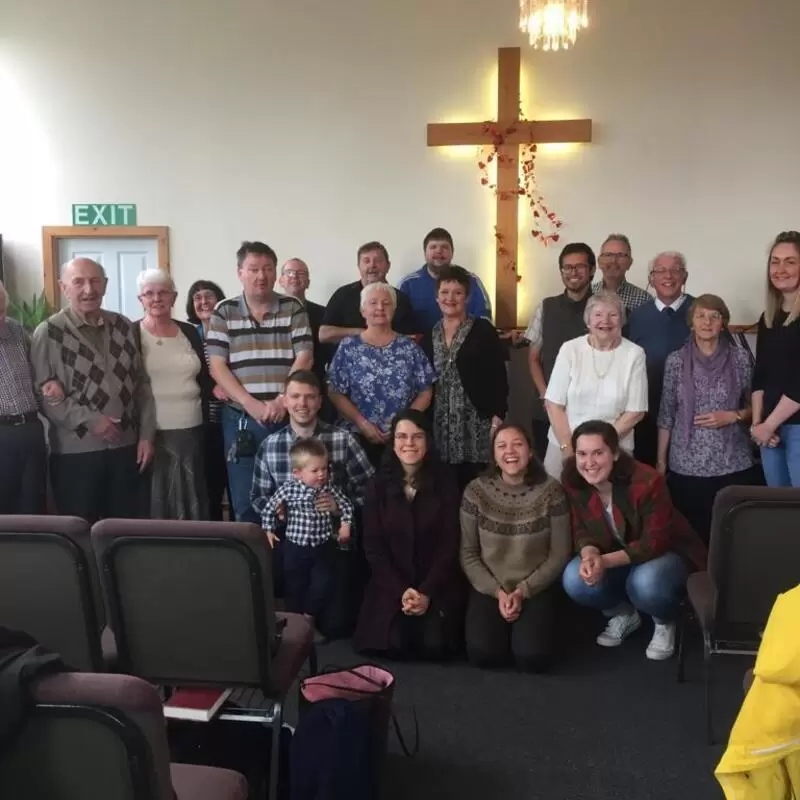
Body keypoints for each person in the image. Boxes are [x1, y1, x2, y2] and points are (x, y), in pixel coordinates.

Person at [561, 420, 707, 660]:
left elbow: (655, 542)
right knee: (574, 578)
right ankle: (625, 614)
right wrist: (589, 555)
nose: (589, 463)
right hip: (615, 555)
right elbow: (579, 529)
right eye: (582, 454)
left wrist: (604, 562)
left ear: (615, 453)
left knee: (645, 582)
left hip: (666, 555)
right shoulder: (573, 480)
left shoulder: (647, 481)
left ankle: (664, 621)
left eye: (598, 453)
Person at [31, 258, 155, 523]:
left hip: (126, 449)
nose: (89, 289)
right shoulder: (49, 332)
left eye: (95, 281)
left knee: (126, 529)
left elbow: (141, 385)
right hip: (76, 455)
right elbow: (43, 395)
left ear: (106, 285)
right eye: (78, 282)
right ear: (64, 288)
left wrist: (146, 435)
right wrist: (92, 421)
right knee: (80, 531)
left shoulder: (123, 326)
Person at [251, 369, 375, 635]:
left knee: (337, 626)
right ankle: (293, 620)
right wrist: (277, 513)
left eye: (309, 397)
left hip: (332, 542)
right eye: (295, 396)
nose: (302, 404)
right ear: (284, 400)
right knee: (292, 595)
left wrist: (339, 508)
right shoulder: (270, 446)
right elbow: (259, 497)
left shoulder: (344, 440)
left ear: (320, 401)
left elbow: (372, 492)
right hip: (291, 540)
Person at [206, 241, 313, 523]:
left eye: (267, 269)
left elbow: (304, 356)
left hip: (288, 415)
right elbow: (217, 365)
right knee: (246, 500)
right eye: (253, 269)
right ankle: (253, 566)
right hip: (241, 418)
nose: (261, 276)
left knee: (295, 495)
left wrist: (281, 400)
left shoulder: (293, 308)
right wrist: (249, 403)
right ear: (240, 272)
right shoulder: (224, 311)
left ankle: (288, 564)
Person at [354, 410, 464, 659]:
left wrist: (425, 592)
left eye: (417, 437)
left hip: (435, 581)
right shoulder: (377, 485)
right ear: (393, 443)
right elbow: (373, 547)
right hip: (392, 582)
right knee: (394, 643)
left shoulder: (446, 482)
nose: (409, 444)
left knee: (434, 645)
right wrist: (402, 591)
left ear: (428, 441)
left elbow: (450, 542)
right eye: (402, 437)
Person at [460, 424, 571, 672]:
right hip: (490, 586)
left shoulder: (552, 491)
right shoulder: (475, 491)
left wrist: (522, 591)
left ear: (530, 452)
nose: (510, 451)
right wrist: (498, 592)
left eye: (518, 444)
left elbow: (559, 554)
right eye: (502, 446)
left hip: (536, 585)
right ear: (494, 456)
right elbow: (468, 554)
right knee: (483, 653)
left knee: (533, 657)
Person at [657, 295, 756, 544]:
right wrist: (660, 463)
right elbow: (666, 414)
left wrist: (733, 416)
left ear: (723, 323)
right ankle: (697, 582)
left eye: (715, 316)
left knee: (733, 538)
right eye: (700, 315)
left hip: (733, 462)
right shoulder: (676, 362)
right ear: (691, 322)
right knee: (693, 539)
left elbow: (757, 408)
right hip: (686, 465)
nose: (707, 321)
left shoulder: (741, 359)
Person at [327, 282, 436, 466]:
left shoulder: (409, 348)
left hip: (403, 439)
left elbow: (426, 391)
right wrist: (361, 423)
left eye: (386, 303)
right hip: (357, 435)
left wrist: (401, 424)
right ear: (362, 310)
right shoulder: (348, 347)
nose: (380, 308)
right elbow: (334, 392)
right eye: (373, 303)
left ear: (394, 310)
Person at [134, 269, 212, 520]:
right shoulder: (131, 334)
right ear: (141, 299)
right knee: (158, 499)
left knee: (192, 496)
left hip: (192, 428)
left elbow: (205, 376)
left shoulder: (189, 332)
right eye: (149, 293)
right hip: (151, 432)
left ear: (174, 297)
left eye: (163, 292)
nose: (156, 298)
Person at [543, 291, 647, 480]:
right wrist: (569, 449)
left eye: (613, 315)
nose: (605, 320)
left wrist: (599, 446)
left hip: (614, 448)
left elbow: (636, 411)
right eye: (598, 314)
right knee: (557, 504)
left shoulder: (634, 354)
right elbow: (554, 404)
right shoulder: (570, 349)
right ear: (588, 320)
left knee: (609, 505)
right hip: (564, 444)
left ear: (621, 320)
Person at [420, 265, 507, 490]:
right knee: (444, 485)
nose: (450, 298)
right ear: (436, 297)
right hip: (440, 424)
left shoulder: (483, 331)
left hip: (476, 423)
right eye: (445, 292)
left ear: (467, 297)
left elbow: (498, 377)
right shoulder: (430, 334)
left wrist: (498, 416)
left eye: (457, 293)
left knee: (478, 484)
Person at [261, 438, 354, 641]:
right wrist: (268, 530)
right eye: (315, 471)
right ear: (297, 473)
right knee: (294, 587)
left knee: (321, 586)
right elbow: (268, 509)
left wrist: (345, 525)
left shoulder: (328, 488)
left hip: (322, 547)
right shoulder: (288, 489)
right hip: (295, 548)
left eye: (324, 469)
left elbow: (347, 505)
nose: (321, 474)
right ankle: (295, 629)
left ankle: (309, 621)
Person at [526, 242, 595, 461]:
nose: (573, 272)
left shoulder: (603, 308)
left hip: (590, 410)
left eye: (580, 266)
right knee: (549, 477)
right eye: (567, 267)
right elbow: (534, 358)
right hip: (548, 410)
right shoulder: (546, 307)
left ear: (592, 270)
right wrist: (546, 396)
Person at [628, 252, 693, 466]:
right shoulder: (635, 317)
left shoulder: (701, 311)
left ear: (685, 276)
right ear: (651, 278)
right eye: (661, 270)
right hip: (646, 412)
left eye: (675, 270)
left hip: (692, 416)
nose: (668, 276)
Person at [751, 231, 800, 487]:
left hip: (796, 429)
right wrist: (759, 424)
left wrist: (769, 424)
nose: (780, 269)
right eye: (775, 261)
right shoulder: (768, 317)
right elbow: (760, 375)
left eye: (790, 261)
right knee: (777, 514)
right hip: (770, 433)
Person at [0, 280, 47, 514]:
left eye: (0, 310)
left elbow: (39, 373)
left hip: (30, 428)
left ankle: (36, 550)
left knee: (33, 499)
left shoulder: (18, 332)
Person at [318, 241, 417, 347]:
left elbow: (409, 338)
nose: (372, 265)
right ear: (359, 266)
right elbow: (323, 335)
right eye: (366, 261)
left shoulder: (401, 299)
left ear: (388, 266)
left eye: (378, 261)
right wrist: (363, 333)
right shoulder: (342, 295)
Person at [186, 279, 229, 520]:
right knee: (209, 482)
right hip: (202, 418)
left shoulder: (232, 327)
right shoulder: (188, 333)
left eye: (209, 296)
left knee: (234, 480)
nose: (203, 302)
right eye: (197, 298)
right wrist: (211, 388)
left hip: (233, 413)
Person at [398, 227, 492, 330]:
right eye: (433, 247)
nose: (439, 251)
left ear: (452, 252)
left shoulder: (471, 280)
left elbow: (485, 319)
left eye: (445, 247)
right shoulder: (407, 284)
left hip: (467, 342)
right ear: (425, 253)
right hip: (420, 344)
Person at [592, 233, 650, 313]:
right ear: (599, 261)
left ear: (630, 262)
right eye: (608, 255)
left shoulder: (644, 300)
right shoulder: (587, 294)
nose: (613, 260)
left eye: (621, 255)